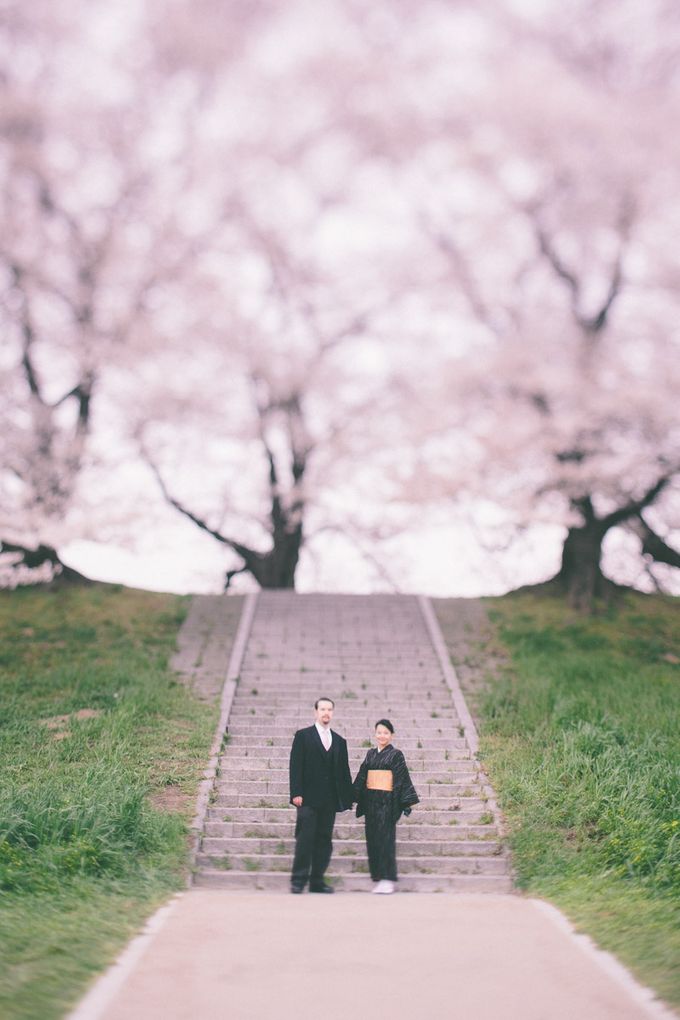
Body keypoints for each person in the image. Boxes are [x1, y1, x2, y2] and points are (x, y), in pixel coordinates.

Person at [288, 697, 354, 893]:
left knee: (324, 840)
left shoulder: (340, 741)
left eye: (329, 709)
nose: (326, 713)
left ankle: (317, 881)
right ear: (315, 712)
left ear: (333, 713)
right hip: (307, 798)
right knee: (305, 838)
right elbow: (295, 765)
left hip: (329, 800)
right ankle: (298, 880)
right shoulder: (303, 736)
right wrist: (296, 792)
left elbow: (344, 771)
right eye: (323, 709)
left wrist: (348, 797)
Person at [353, 718, 419, 894]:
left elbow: (401, 779)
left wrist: (402, 803)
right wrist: (352, 795)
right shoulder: (370, 754)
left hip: (388, 803)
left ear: (391, 735)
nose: (382, 735)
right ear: (375, 734)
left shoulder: (396, 754)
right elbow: (361, 777)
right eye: (379, 732)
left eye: (386, 733)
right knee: (372, 839)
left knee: (386, 840)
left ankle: (388, 879)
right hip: (371, 802)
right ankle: (377, 876)